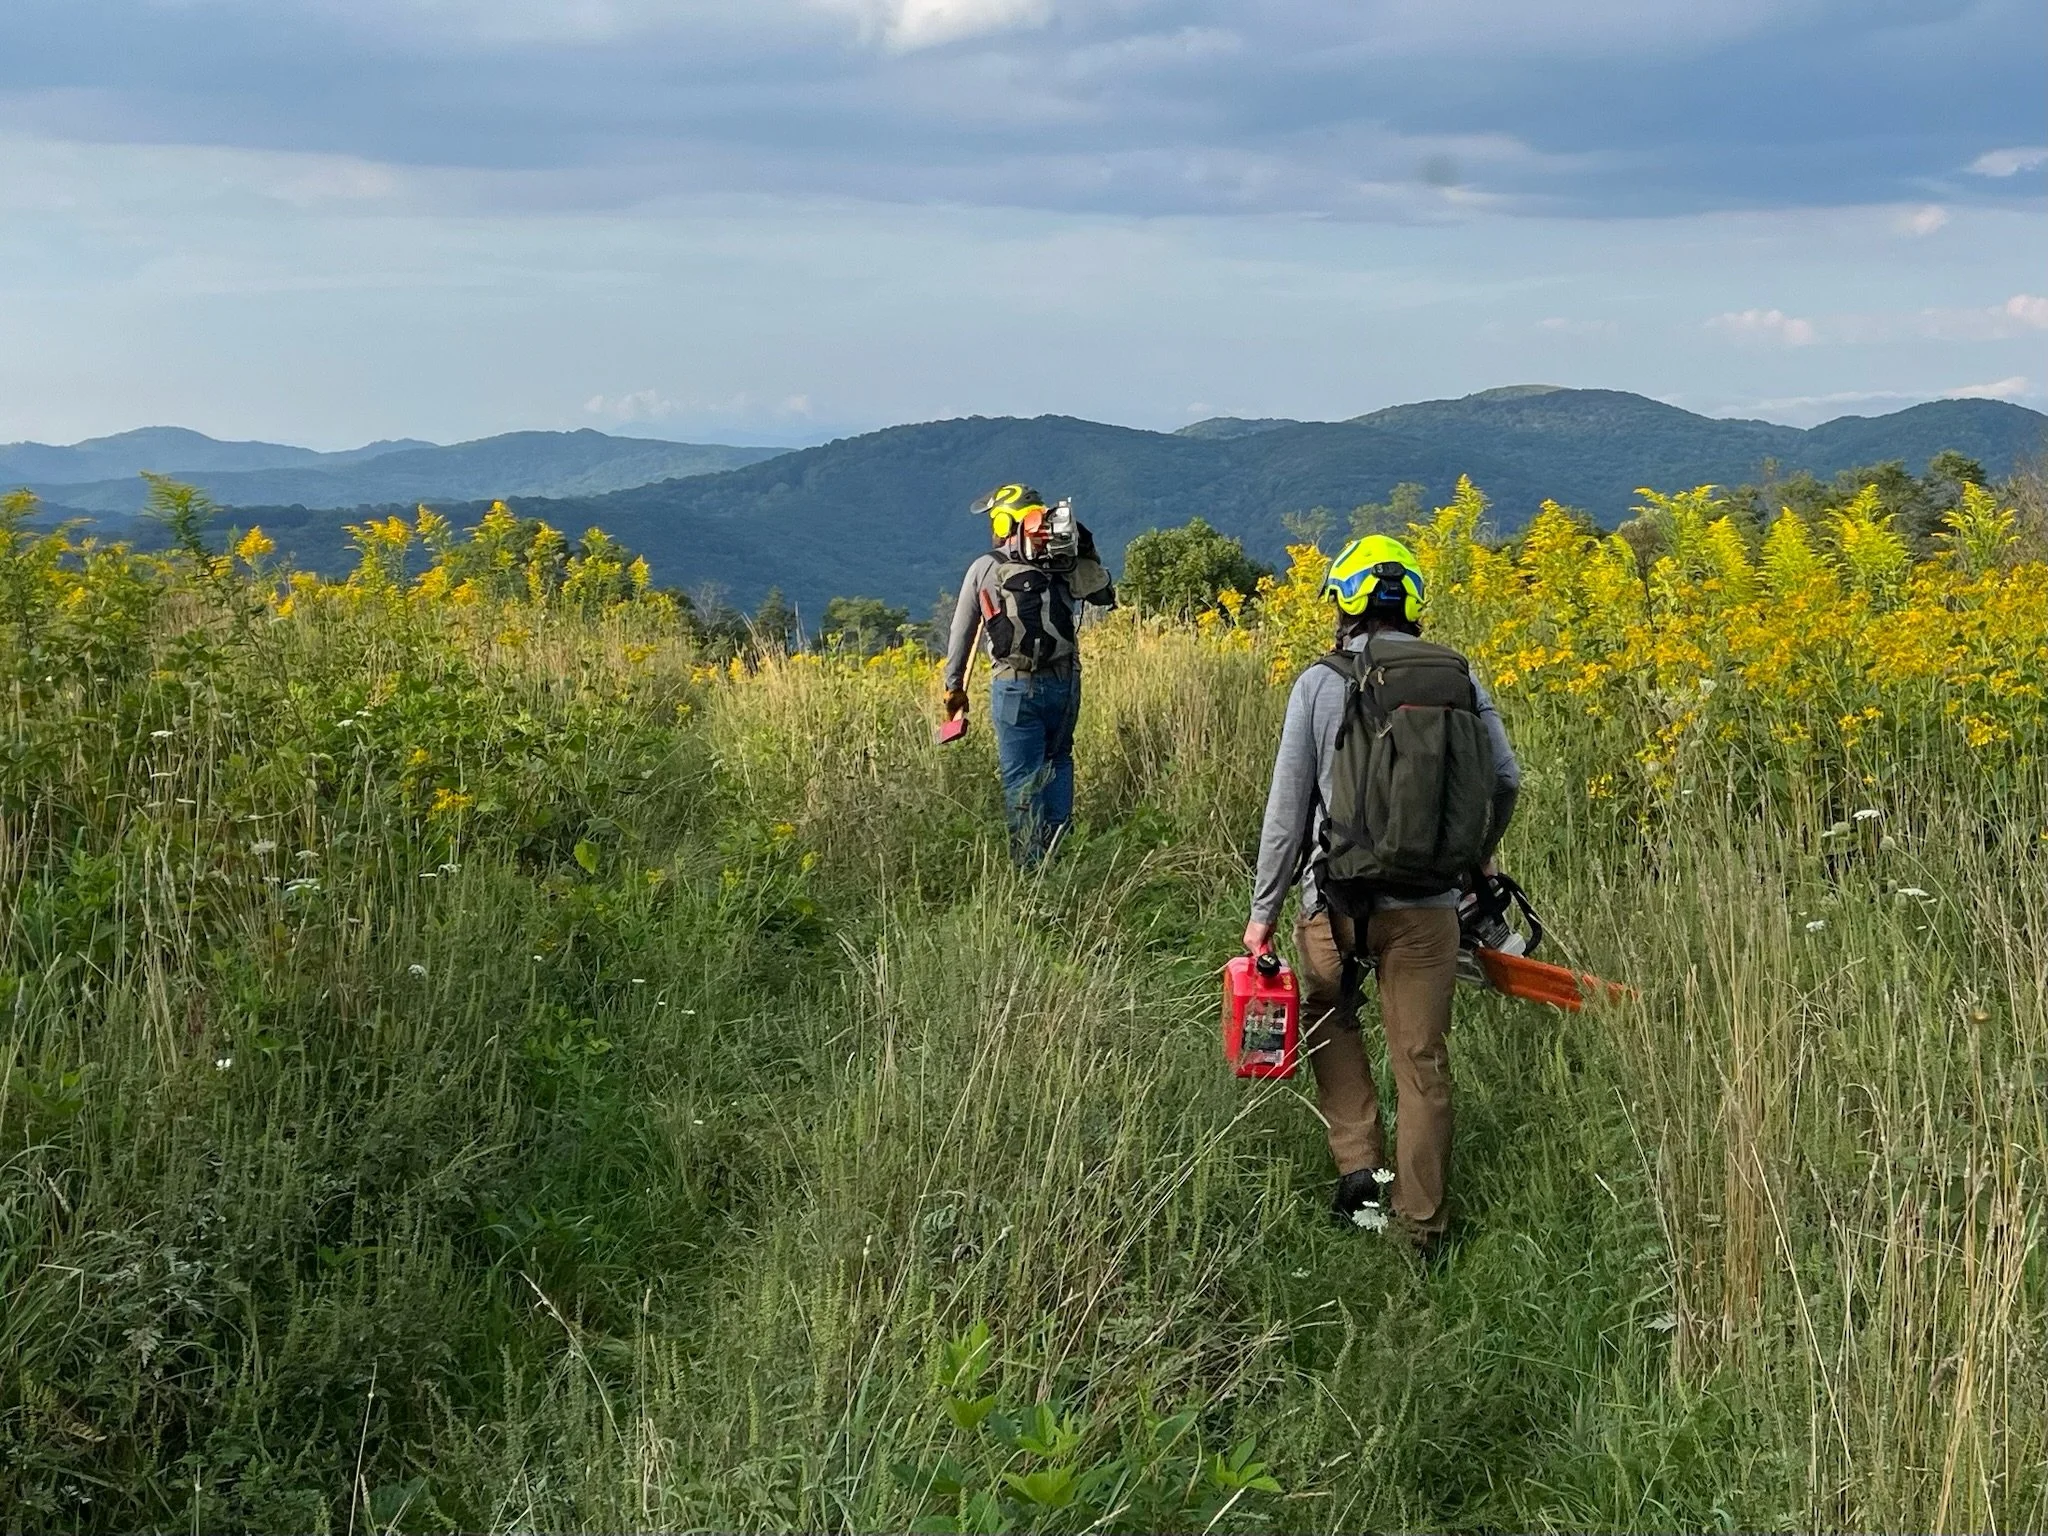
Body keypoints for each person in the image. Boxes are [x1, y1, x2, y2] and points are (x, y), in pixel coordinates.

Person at [1242, 535, 1520, 1255]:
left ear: (1346, 603)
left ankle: (1358, 1167)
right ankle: (1421, 1226)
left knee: (1328, 1012)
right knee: (1421, 1059)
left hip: (1334, 903)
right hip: (1429, 905)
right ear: (1413, 604)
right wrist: (1478, 858)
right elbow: (1506, 779)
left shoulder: (1319, 682)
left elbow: (1287, 811)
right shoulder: (1457, 677)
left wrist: (1262, 914)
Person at [942, 484, 1115, 864]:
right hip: (1065, 682)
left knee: (1021, 776)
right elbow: (1104, 595)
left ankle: (1029, 867)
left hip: (1014, 687)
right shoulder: (1062, 560)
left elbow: (961, 633)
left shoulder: (985, 567)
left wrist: (953, 687)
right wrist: (1084, 551)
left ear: (1004, 522)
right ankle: (1060, 853)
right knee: (1059, 760)